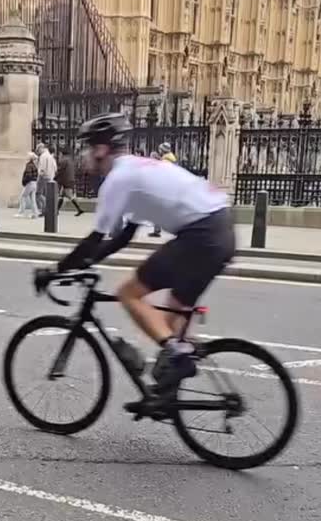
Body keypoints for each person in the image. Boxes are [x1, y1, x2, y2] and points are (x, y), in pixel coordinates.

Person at [36, 113, 235, 402]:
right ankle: (169, 394)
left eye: (87, 147)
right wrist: (89, 263)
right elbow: (124, 236)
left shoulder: (118, 179)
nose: (83, 154)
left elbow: (94, 239)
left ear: (101, 149)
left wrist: (55, 270)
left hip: (201, 235)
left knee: (128, 293)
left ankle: (178, 357)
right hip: (221, 229)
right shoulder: (135, 170)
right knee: (173, 316)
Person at [56, 147, 84, 216]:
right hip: (70, 179)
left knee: (69, 195)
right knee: (61, 195)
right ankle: (56, 210)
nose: (59, 155)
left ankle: (79, 209)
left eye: (60, 153)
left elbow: (60, 170)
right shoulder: (70, 160)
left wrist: (55, 177)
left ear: (62, 153)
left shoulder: (64, 160)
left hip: (66, 180)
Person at [35, 141, 57, 216]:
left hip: (43, 177)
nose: (38, 152)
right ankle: (47, 209)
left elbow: (42, 168)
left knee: (38, 194)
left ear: (41, 148)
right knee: (46, 194)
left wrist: (40, 175)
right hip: (50, 177)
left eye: (38, 150)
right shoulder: (50, 156)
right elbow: (55, 168)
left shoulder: (43, 156)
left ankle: (44, 209)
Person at [17, 152, 39, 217]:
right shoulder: (34, 165)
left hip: (29, 183)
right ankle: (35, 213)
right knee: (32, 199)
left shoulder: (29, 165)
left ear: (29, 158)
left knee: (22, 197)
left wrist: (25, 182)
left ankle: (21, 212)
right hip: (34, 183)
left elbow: (28, 175)